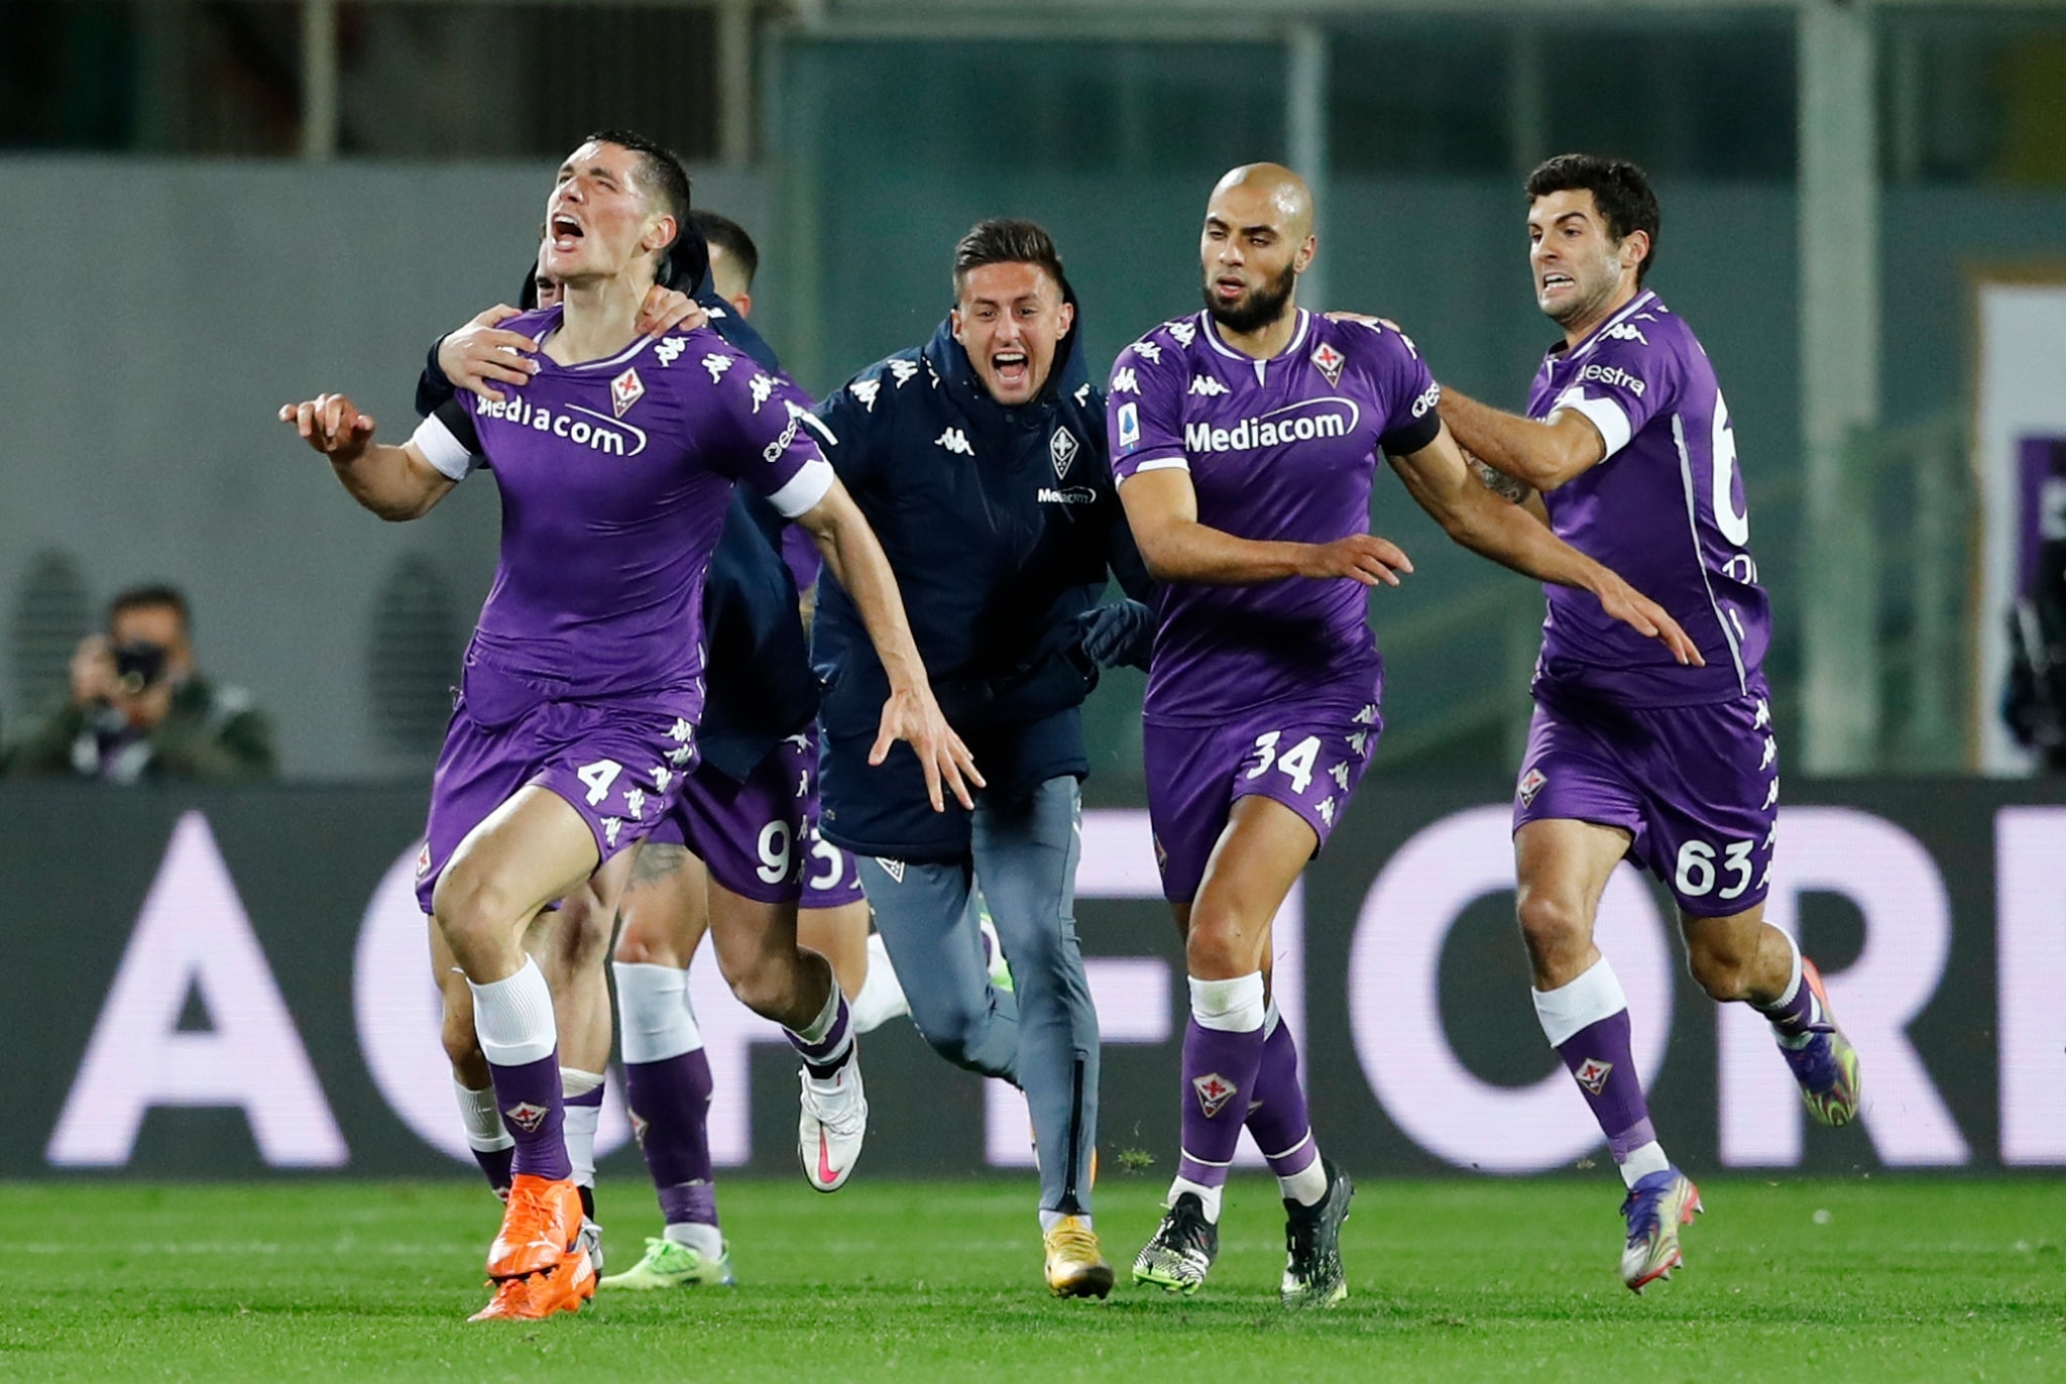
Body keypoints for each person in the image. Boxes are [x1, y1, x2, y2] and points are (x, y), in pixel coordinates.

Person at [281, 131, 973, 1322]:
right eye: (563, 176)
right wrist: (351, 454)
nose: (568, 190)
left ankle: (558, 1210)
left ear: (658, 234)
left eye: (599, 182)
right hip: (499, 706)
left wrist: (908, 684)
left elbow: (838, 523)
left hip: (636, 713)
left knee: (512, 911)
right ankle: (551, 1216)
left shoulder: (709, 374)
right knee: (464, 1031)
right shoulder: (501, 355)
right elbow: (406, 486)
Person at [1107, 163, 1698, 1308]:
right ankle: (1309, 1190)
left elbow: (1468, 505)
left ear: (1301, 253)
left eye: (1255, 237)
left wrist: (1591, 577)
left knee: (1223, 929)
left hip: (1318, 690)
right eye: (1215, 231)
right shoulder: (1155, 369)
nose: (1227, 254)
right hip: (1190, 697)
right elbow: (1164, 541)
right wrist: (1311, 555)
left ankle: (1190, 1204)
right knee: (1230, 968)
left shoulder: (1368, 357)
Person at [1434, 154, 1862, 1292]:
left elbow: (1549, 457)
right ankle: (1648, 1174)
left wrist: (1412, 391)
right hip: (1582, 693)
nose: (1544, 247)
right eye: (1535, 229)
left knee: (1723, 964)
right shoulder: (1559, 371)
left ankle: (1790, 995)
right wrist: (1394, 442)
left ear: (1631, 250)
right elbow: (1517, 506)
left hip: (1700, 703)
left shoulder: (1646, 347)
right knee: (1545, 913)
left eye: (1570, 228)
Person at [812, 218, 1156, 1298]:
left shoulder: (1101, 428)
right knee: (959, 1025)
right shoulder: (883, 404)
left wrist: (1133, 627)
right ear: (957, 323)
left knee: (1044, 942)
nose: (1008, 332)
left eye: (1026, 311)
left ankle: (1067, 1220)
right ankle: (1057, 1077)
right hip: (890, 732)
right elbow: (785, 500)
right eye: (986, 313)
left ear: (1063, 317)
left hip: (1024, 728)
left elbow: (1163, 579)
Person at [6, 585, 275, 782]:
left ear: (184, 654)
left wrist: (163, 723)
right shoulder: (83, 713)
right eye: (132, 652)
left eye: (157, 652)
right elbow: (12, 780)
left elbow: (253, 791)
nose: (143, 666)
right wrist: (72, 712)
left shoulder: (225, 712)